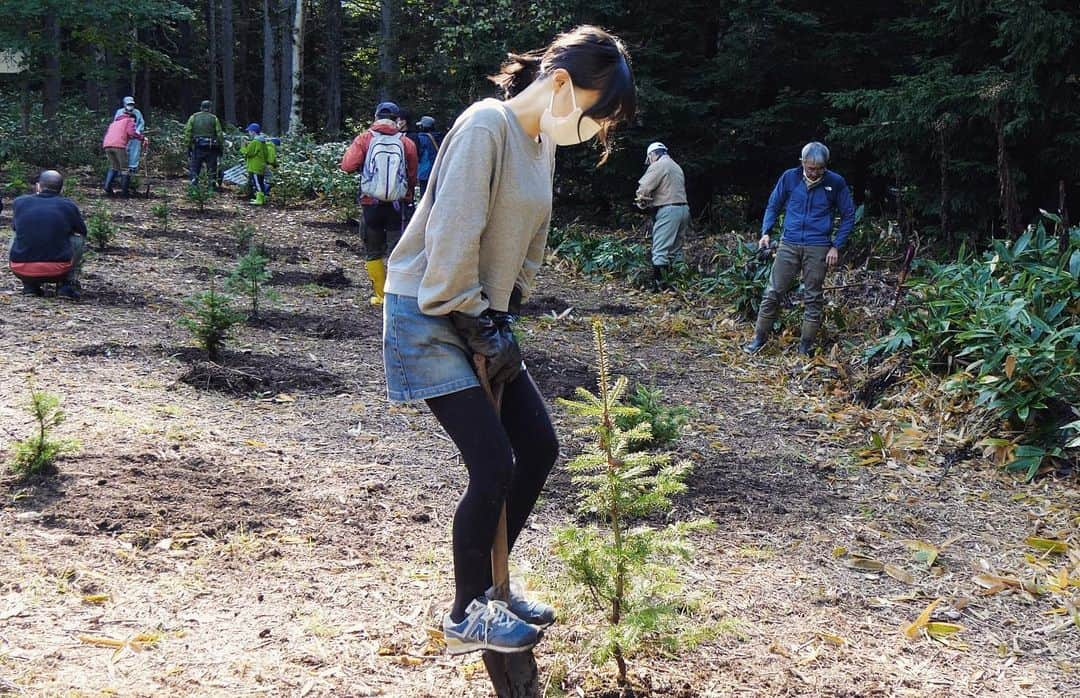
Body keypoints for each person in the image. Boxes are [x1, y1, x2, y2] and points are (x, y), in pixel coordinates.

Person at [382, 25, 636, 655]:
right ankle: (467, 613)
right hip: (429, 311)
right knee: (493, 463)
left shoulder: (540, 144)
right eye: (591, 114)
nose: (591, 131)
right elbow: (451, 238)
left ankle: (495, 585)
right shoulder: (485, 125)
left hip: (482, 316)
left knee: (539, 448)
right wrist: (475, 320)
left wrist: (505, 314)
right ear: (558, 85)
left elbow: (529, 243)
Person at [744, 141, 856, 356]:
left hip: (818, 247)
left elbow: (849, 216)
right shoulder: (790, 177)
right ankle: (758, 340)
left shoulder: (836, 182)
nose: (814, 173)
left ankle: (805, 347)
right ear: (802, 162)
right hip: (789, 243)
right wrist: (766, 231)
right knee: (773, 291)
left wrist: (836, 246)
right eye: (810, 168)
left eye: (819, 169)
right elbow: (773, 205)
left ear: (826, 166)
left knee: (813, 296)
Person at [339, 101, 419, 306]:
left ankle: (380, 295)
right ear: (396, 120)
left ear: (375, 117)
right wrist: (407, 197)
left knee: (373, 250)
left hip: (370, 203)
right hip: (397, 205)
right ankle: (396, 295)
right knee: (397, 250)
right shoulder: (406, 142)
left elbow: (347, 166)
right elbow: (412, 175)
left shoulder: (365, 139)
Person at [8, 170, 87, 299]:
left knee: (17, 234)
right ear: (61, 189)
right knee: (78, 239)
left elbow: (16, 227)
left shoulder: (19, 202)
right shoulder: (68, 205)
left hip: (20, 268)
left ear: (38, 186)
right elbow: (82, 231)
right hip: (58, 269)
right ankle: (66, 285)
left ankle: (30, 286)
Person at [634, 141, 689, 289]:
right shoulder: (676, 166)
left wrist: (641, 201)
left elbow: (644, 187)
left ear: (652, 154)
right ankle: (682, 283)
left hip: (668, 210)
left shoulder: (659, 165)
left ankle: (660, 286)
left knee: (660, 250)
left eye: (649, 158)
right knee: (676, 250)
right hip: (683, 209)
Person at [101, 111, 147, 197]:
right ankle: (124, 193)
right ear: (133, 118)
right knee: (125, 169)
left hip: (107, 145)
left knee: (114, 167)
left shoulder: (115, 122)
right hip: (118, 145)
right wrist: (142, 138)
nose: (134, 124)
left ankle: (107, 187)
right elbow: (131, 133)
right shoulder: (129, 120)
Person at [182, 100, 224, 187]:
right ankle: (211, 187)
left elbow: (188, 132)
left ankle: (194, 186)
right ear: (210, 108)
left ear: (201, 107)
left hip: (197, 147)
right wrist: (221, 146)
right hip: (211, 148)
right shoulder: (214, 118)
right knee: (212, 169)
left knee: (195, 168)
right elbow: (219, 134)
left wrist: (188, 145)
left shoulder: (193, 117)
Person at [240, 123, 275, 206]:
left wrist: (243, 145)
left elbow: (248, 152)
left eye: (249, 131)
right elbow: (265, 153)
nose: (249, 133)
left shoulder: (255, 142)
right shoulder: (262, 142)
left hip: (255, 166)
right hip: (261, 165)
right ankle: (261, 198)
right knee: (261, 182)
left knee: (257, 183)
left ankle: (259, 200)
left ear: (253, 132)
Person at [113, 96, 146, 175]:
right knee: (123, 150)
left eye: (131, 104)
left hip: (135, 135)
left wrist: (138, 131)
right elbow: (116, 123)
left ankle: (133, 167)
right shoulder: (119, 112)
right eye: (128, 104)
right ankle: (121, 168)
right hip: (124, 135)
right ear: (124, 104)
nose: (130, 106)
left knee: (135, 150)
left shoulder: (137, 112)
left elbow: (141, 122)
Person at [413, 115, 442, 198]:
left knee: (424, 197)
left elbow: (418, 154)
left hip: (424, 172)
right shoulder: (439, 137)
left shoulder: (421, 138)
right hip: (437, 171)